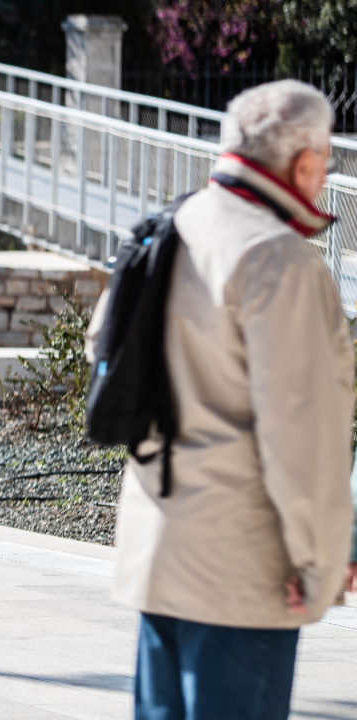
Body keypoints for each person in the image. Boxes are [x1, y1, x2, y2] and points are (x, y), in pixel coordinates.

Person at [87, 80, 355, 719]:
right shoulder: (279, 258)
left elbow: (105, 343)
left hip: (160, 545)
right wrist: (320, 563)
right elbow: (302, 435)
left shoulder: (170, 226)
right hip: (245, 566)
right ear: (305, 162)